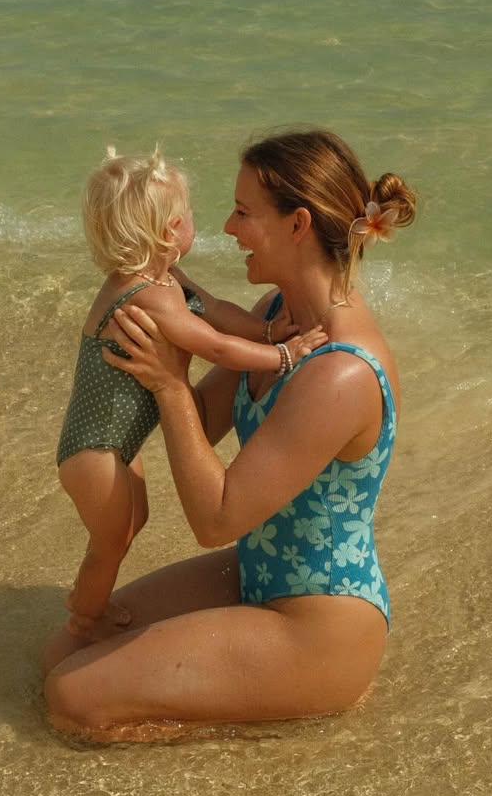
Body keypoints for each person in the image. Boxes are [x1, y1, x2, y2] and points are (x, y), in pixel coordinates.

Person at [43, 129, 416, 741]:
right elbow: (202, 421)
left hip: (317, 625)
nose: (226, 228)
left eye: (244, 212)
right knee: (63, 654)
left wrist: (168, 383)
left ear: (297, 225)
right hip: (254, 573)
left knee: (73, 699)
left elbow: (214, 519)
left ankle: (286, 716)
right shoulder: (273, 317)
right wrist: (140, 356)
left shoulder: (341, 372)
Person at [56, 147, 327, 645]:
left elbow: (217, 312)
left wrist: (266, 332)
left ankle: (92, 603)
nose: (204, 223)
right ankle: (84, 617)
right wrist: (283, 357)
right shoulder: (146, 294)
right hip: (93, 451)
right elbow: (214, 345)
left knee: (134, 522)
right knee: (110, 542)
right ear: (170, 231)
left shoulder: (163, 280)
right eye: (190, 215)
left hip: (112, 447)